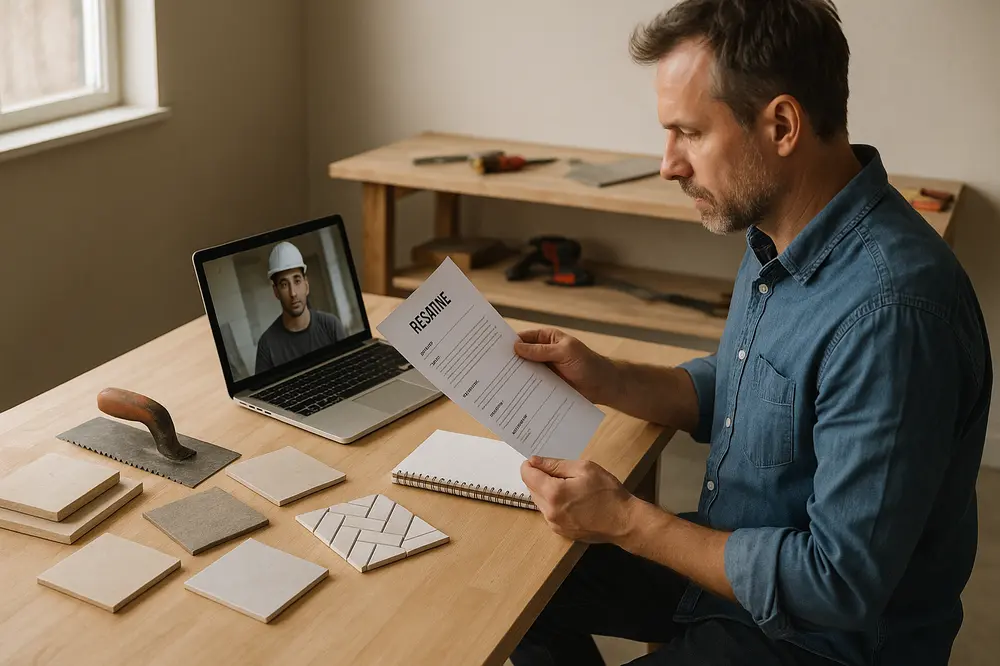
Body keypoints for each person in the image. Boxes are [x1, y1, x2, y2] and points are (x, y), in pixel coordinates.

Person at [509, 2, 991, 665]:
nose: (668, 165)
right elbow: (752, 389)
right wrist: (609, 378)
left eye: (689, 133)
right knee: (519, 584)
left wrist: (626, 519)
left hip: (823, 641)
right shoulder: (779, 232)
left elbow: (836, 584)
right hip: (740, 567)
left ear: (782, 126)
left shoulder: (893, 314)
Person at [255, 241, 346, 374]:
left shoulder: (331, 325)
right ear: (276, 292)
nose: (293, 293)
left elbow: (349, 369)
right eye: (284, 285)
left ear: (306, 285)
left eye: (297, 281)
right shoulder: (267, 344)